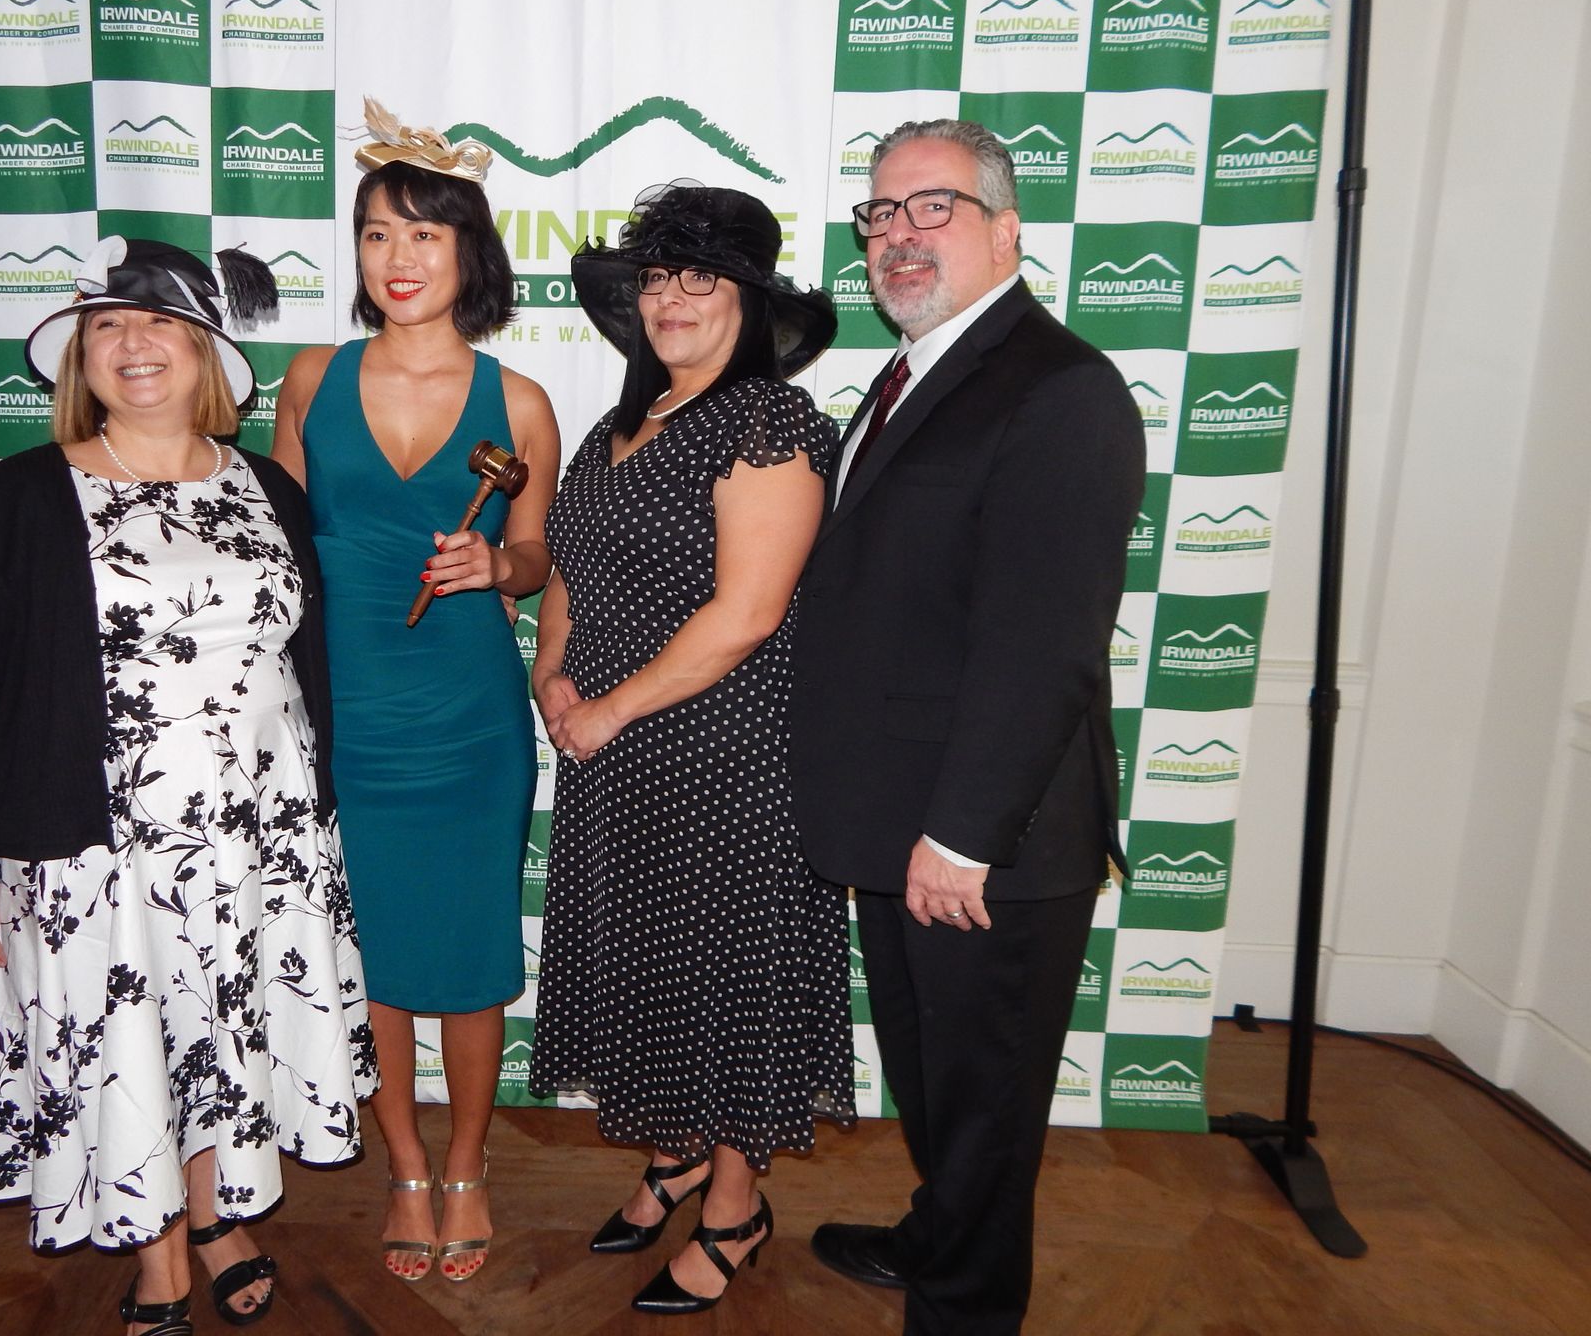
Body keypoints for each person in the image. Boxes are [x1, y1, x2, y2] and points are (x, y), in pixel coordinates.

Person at [0, 237, 378, 1336]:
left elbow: (301, 661)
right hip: (98, 848)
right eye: (110, 327)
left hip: (259, 841)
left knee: (226, 1032)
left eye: (161, 324)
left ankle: (217, 1214)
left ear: (207, 352)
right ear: (81, 356)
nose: (134, 346)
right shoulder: (19, 498)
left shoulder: (267, 486)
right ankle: (160, 1244)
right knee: (137, 1042)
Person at [791, 119, 1146, 1335]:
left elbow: (1044, 643)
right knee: (940, 1086)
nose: (898, 235)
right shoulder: (910, 377)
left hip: (986, 840)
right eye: (880, 215)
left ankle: (965, 1307)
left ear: (1007, 227)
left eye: (929, 208)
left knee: (986, 1101)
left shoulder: (1059, 389)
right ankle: (938, 1236)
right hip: (904, 820)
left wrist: (963, 836)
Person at [528, 181, 856, 1317]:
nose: (673, 300)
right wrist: (552, 673)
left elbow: (749, 613)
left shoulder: (771, 427)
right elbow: (570, 568)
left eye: (701, 279)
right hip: (612, 751)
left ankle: (733, 1203)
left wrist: (606, 709)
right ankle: (672, 1149)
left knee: (721, 970)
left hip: (729, 752)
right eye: (657, 278)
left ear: (751, 303)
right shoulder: (616, 426)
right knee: (647, 956)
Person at [270, 101, 558, 1285]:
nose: (399, 260)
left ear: (469, 255)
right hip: (344, 711)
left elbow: (539, 557)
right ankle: (400, 1162)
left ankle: (470, 1160)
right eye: (379, 235)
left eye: (425, 237)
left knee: (470, 946)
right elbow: (275, 537)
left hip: (472, 716)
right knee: (373, 950)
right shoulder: (308, 377)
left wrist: (499, 564)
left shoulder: (522, 401)